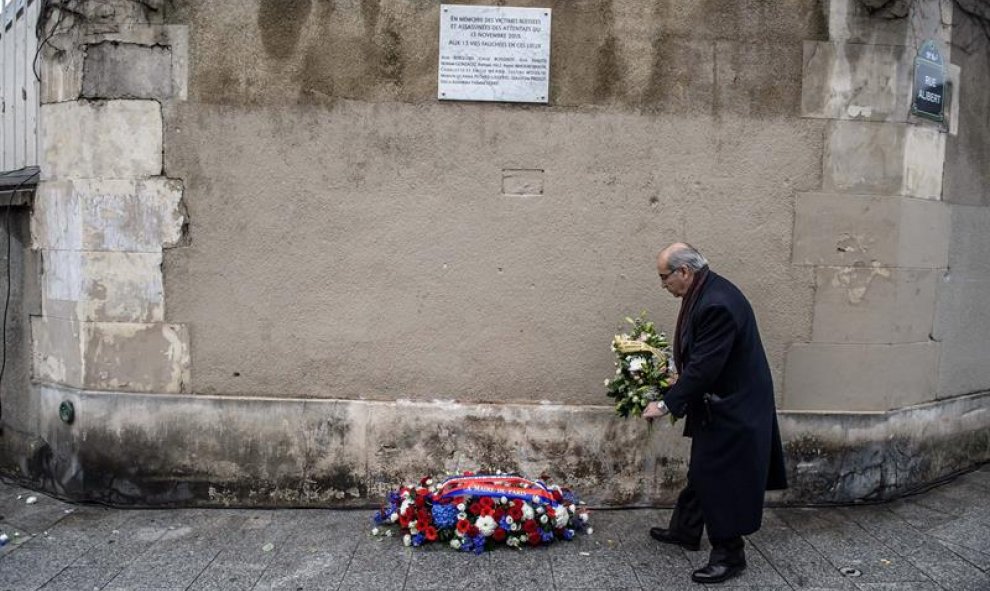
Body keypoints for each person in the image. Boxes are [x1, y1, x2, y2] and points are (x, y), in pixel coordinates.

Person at [642, 242, 787, 584]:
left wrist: (666, 403)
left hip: (735, 406)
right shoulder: (707, 290)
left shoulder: (716, 303)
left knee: (720, 478)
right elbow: (705, 357)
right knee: (704, 470)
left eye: (664, 278)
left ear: (684, 272)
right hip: (722, 400)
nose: (663, 285)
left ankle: (730, 554)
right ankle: (686, 529)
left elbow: (705, 368)